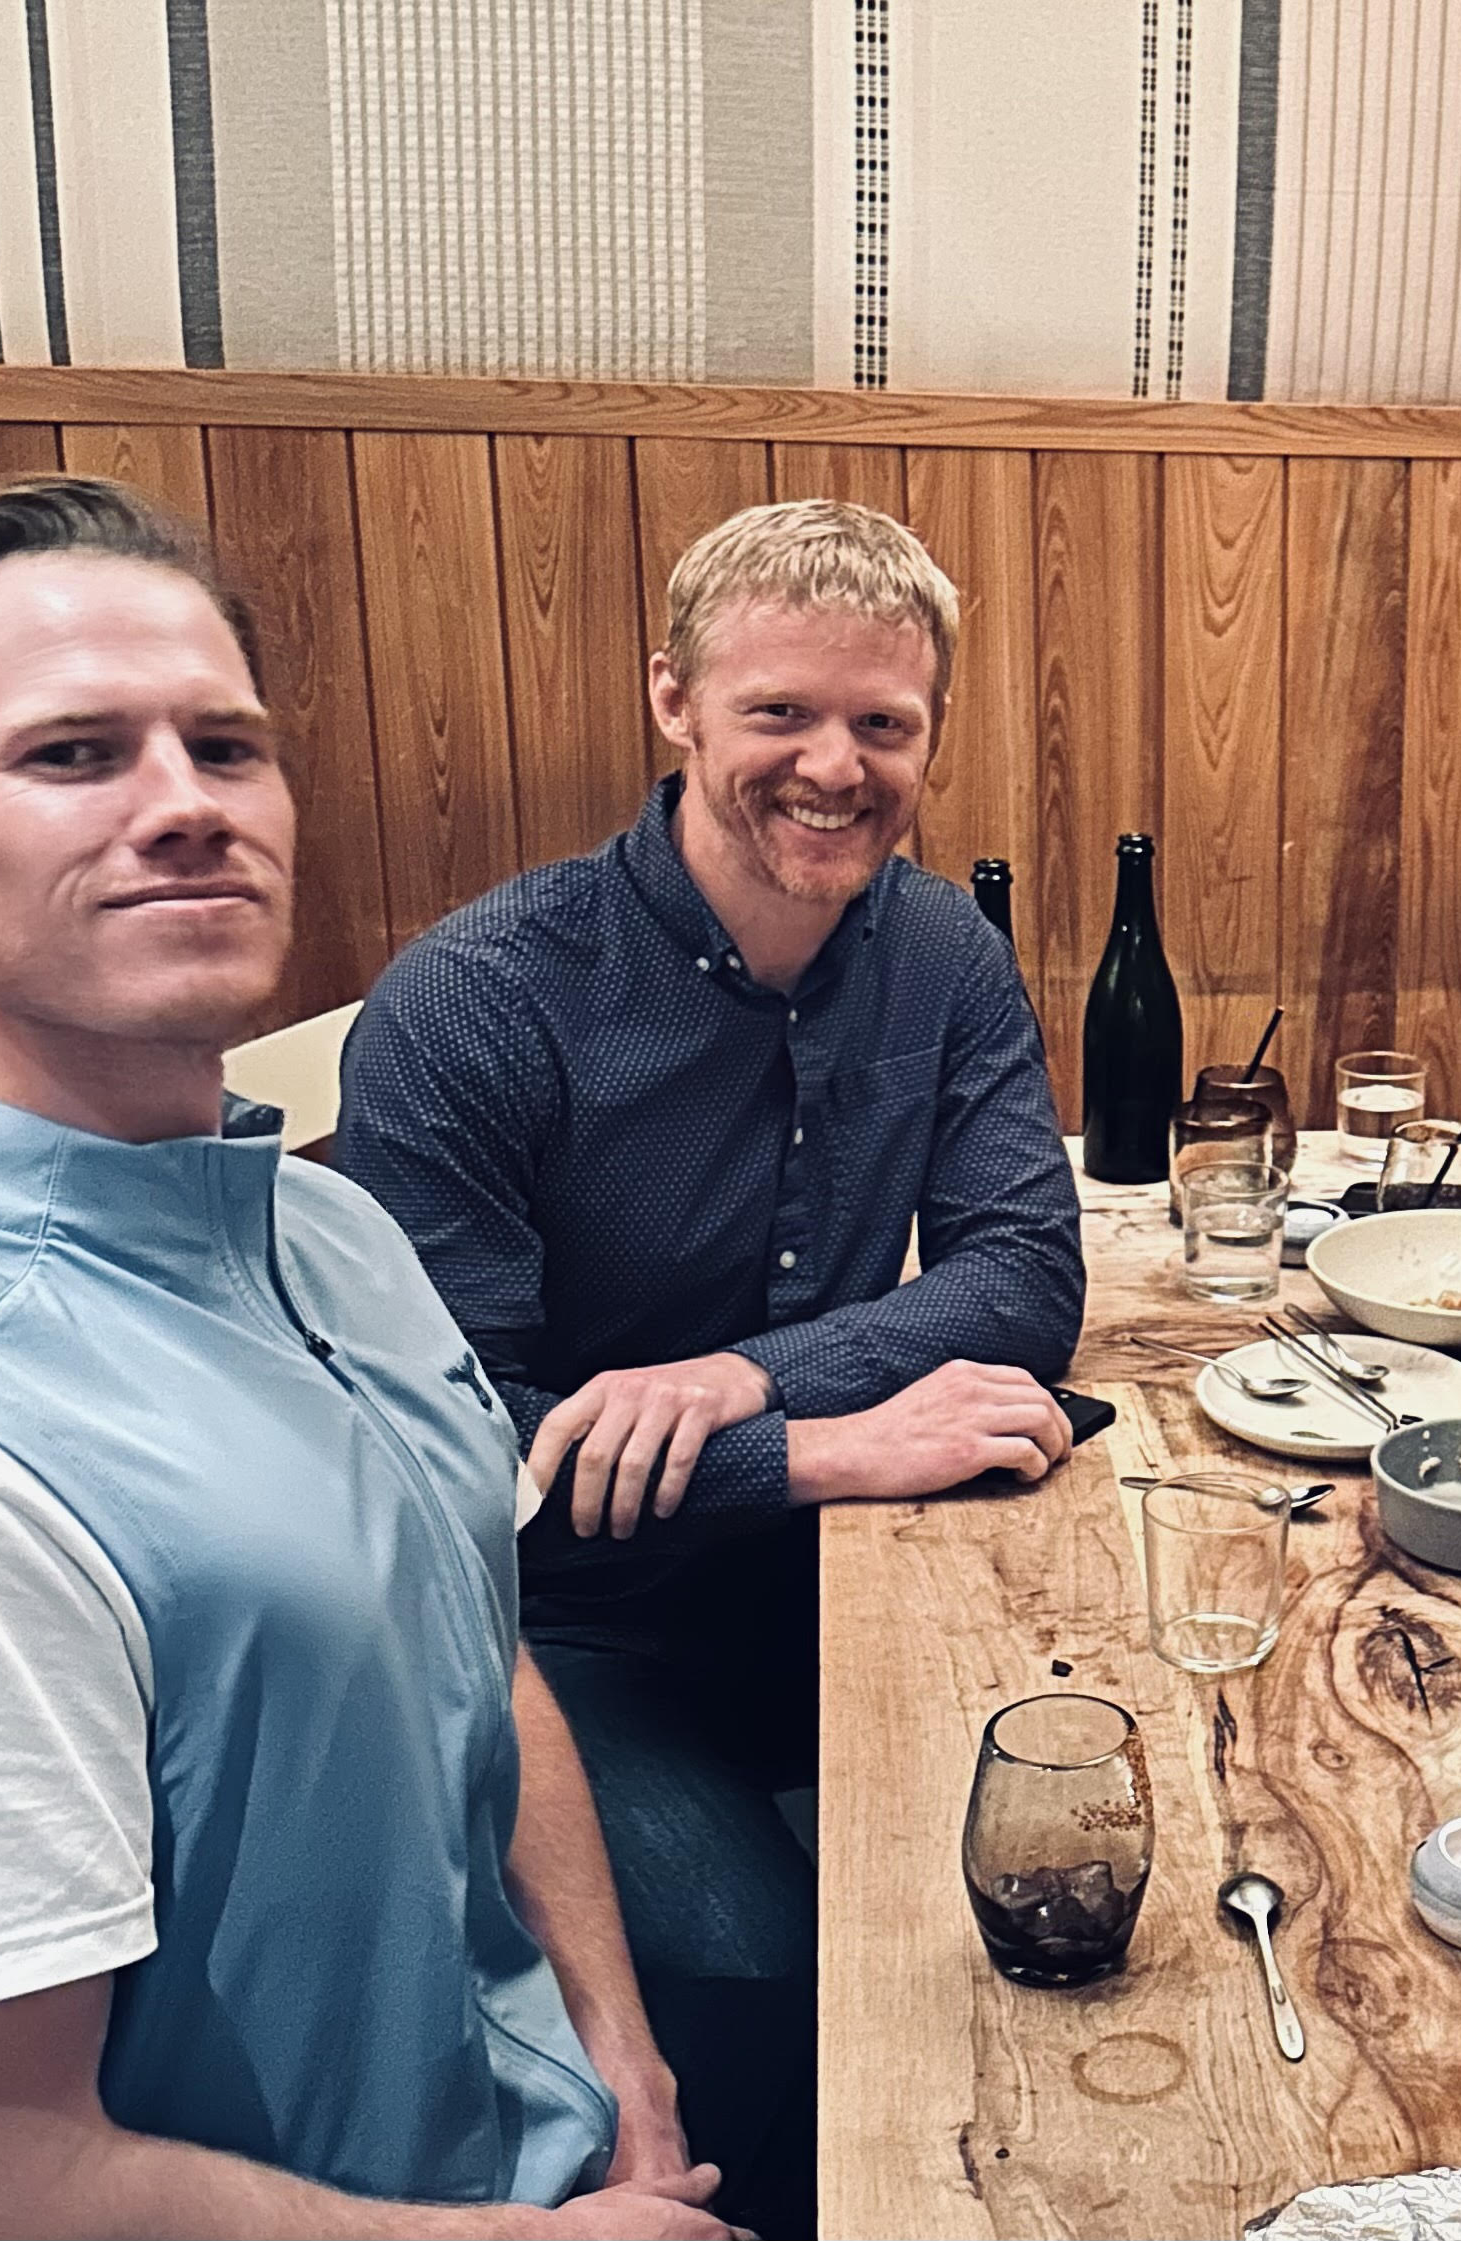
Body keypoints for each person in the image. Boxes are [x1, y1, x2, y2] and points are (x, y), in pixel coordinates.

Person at [0, 478, 726, 2235]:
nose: (183, 805)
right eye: (74, 756)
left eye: (226, 747)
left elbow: (483, 1652)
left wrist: (617, 2049)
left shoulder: (331, 1231)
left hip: (550, 2147)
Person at [337, 498, 1087, 2239]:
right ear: (671, 700)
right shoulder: (475, 1003)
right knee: (792, 2004)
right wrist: (821, 1450)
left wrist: (744, 1382)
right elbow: (459, 1464)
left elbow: (1025, 1274)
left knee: (1144, 1846)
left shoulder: (945, 959)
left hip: (849, 1602)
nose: (833, 766)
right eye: (779, 714)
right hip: (562, 1649)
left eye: (881, 725)